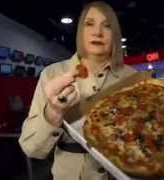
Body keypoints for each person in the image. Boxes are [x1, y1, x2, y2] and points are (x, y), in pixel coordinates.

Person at [18, 1, 136, 180]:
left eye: (107, 26)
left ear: (115, 35)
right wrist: (53, 112)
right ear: (80, 31)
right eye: (89, 24)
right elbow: (31, 149)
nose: (97, 32)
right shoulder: (52, 74)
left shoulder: (133, 77)